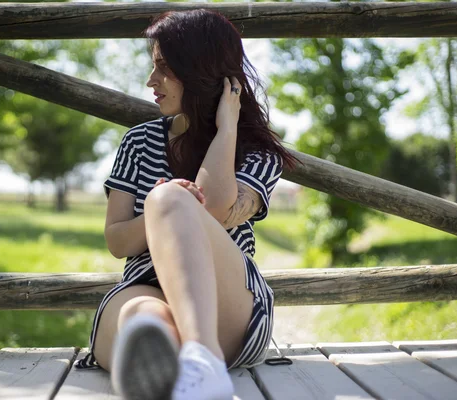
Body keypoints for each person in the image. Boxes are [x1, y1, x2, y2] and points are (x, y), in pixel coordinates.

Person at [74, 8, 299, 400]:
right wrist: (160, 214)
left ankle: (202, 358)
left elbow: (213, 207)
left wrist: (225, 128)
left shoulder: (257, 153)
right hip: (145, 285)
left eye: (164, 67)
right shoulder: (139, 141)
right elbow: (116, 241)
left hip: (229, 306)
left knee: (168, 197)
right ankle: (170, 365)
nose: (151, 81)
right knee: (142, 319)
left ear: (199, 69)